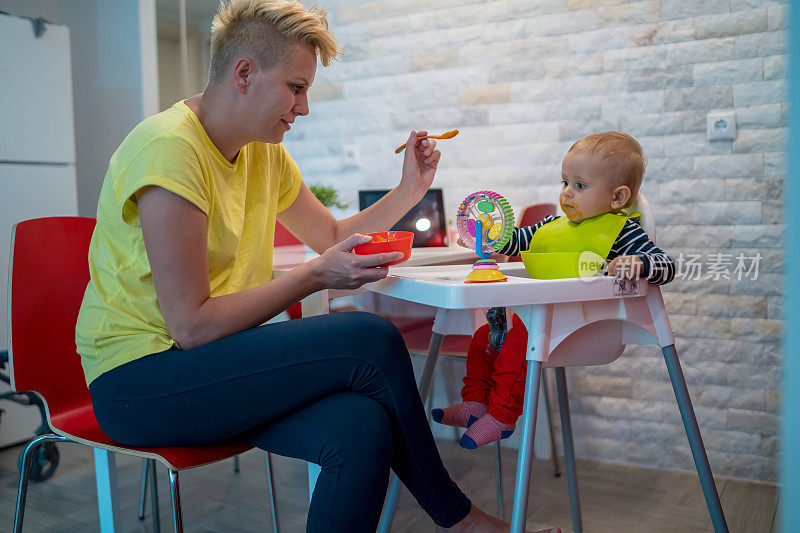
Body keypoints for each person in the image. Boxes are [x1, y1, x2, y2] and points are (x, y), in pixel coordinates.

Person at [75, 1, 559, 531]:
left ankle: (458, 518)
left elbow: (329, 235)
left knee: (361, 426)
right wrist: (311, 275)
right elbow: (191, 326)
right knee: (369, 338)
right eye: (296, 87)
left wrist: (409, 191)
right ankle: (460, 519)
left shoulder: (264, 154)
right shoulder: (169, 150)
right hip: (139, 381)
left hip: (211, 363)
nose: (303, 108)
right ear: (244, 73)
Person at [433, 131, 676, 449]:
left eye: (580, 186)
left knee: (520, 340)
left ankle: (502, 415)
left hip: (583, 327)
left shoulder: (622, 231)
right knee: (482, 339)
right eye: (565, 183)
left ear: (617, 198)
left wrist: (637, 264)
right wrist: (483, 238)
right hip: (537, 319)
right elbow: (516, 240)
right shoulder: (551, 225)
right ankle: (476, 405)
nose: (567, 194)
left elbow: (666, 265)